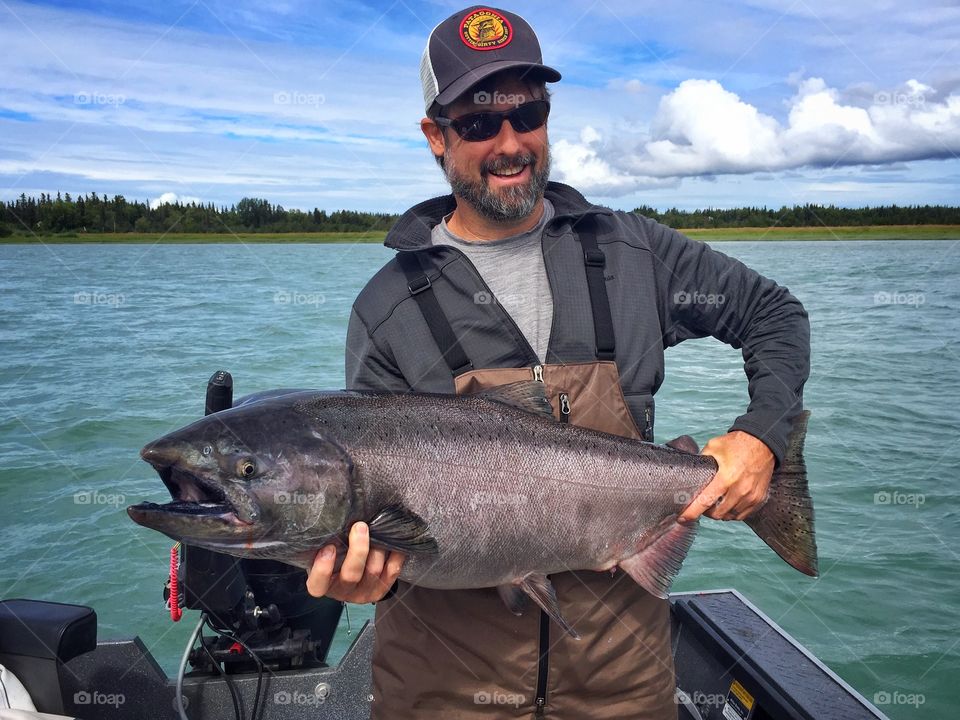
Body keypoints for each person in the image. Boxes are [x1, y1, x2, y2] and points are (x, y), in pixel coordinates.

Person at [306, 5, 809, 718]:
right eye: (479, 122)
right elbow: (386, 539)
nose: (510, 143)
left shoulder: (637, 255)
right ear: (434, 135)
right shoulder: (387, 311)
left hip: (624, 686)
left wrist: (762, 434)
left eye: (529, 113)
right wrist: (368, 581)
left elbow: (775, 315)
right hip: (443, 693)